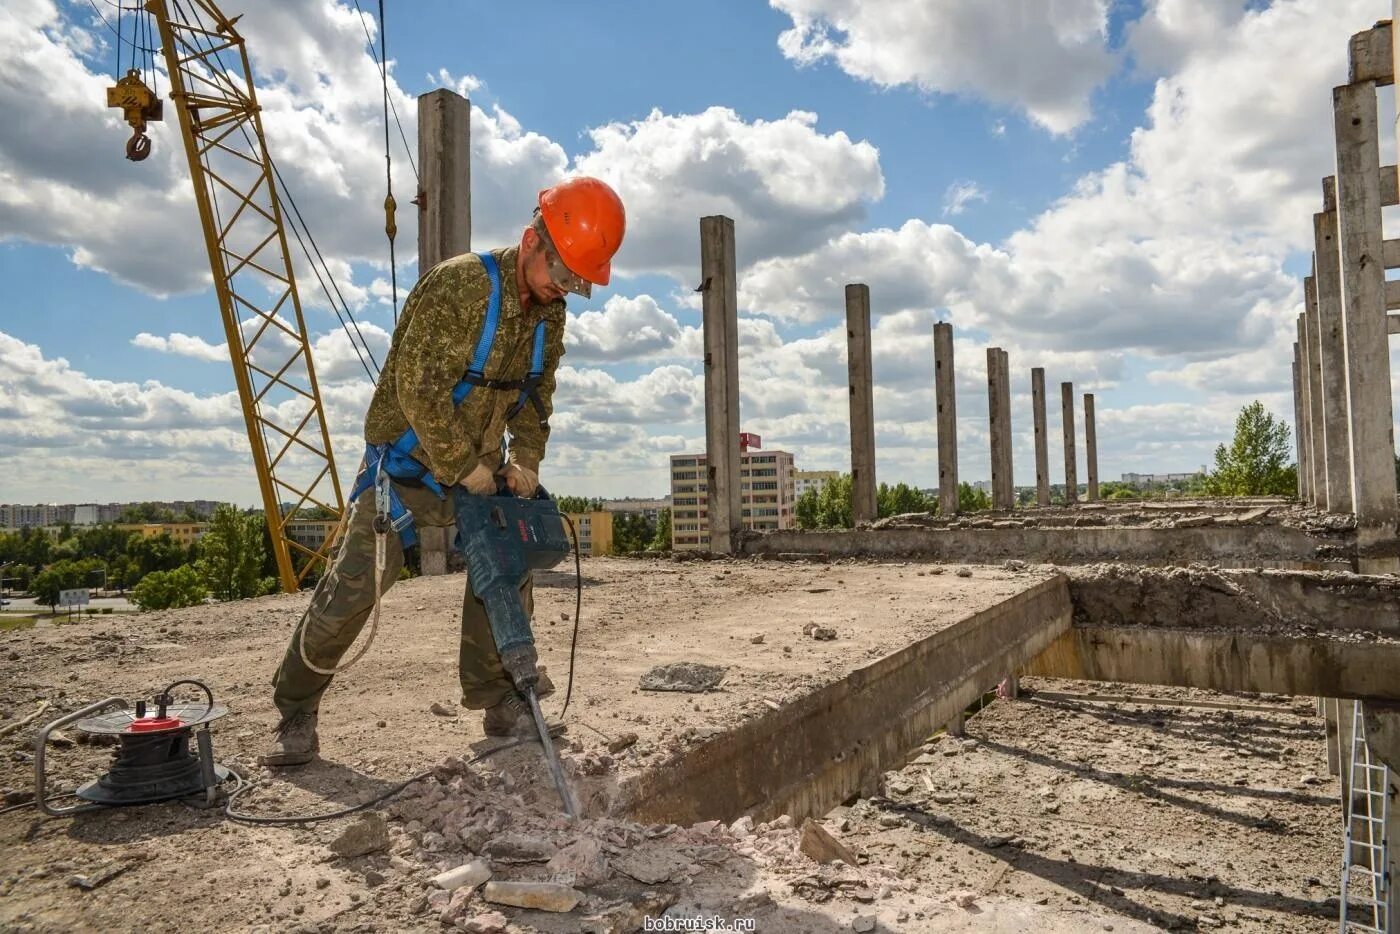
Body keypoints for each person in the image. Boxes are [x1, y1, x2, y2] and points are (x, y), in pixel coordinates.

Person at [261, 177, 626, 767]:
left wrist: (526, 458)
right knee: (356, 586)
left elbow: (537, 394)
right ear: (533, 240)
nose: (566, 291)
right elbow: (420, 389)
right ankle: (296, 708)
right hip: (407, 466)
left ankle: (502, 700)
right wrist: (465, 468)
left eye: (578, 284)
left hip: (478, 470)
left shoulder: (548, 314)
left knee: (504, 569)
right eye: (562, 277)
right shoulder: (461, 287)